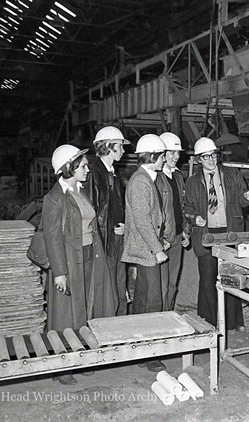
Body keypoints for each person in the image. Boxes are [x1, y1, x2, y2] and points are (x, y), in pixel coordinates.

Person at [42, 144, 118, 384]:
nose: (87, 169)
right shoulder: (54, 199)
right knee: (64, 315)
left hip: (88, 255)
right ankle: (61, 367)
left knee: (85, 308)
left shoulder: (79, 190)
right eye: (83, 166)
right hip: (68, 262)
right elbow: (51, 237)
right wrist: (59, 273)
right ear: (69, 168)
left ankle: (80, 355)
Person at [183, 137, 249, 331]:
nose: (211, 160)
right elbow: (187, 207)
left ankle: (234, 322)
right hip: (206, 236)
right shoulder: (192, 182)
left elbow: (242, 199)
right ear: (199, 159)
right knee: (207, 279)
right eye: (206, 157)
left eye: (213, 155)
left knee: (231, 276)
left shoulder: (232, 175)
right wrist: (195, 217)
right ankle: (209, 321)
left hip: (230, 233)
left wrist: (247, 198)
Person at [121, 134, 168, 372]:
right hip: (146, 251)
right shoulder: (141, 181)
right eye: (161, 156)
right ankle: (148, 354)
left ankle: (139, 349)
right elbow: (141, 220)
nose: (164, 160)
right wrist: (157, 249)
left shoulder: (146, 179)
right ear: (152, 157)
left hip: (147, 248)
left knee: (143, 300)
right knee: (151, 301)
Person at [86, 126, 130, 315]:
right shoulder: (94, 173)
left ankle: (120, 322)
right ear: (108, 146)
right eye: (119, 146)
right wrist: (109, 232)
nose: (123, 150)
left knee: (119, 284)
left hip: (116, 238)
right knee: (110, 286)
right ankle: (110, 325)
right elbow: (93, 210)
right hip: (106, 241)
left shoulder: (111, 173)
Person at [156, 132, 189, 311]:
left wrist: (184, 229)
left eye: (178, 153)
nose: (176, 157)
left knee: (172, 283)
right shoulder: (156, 178)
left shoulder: (177, 176)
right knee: (161, 283)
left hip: (176, 235)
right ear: (162, 153)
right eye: (171, 153)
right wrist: (158, 239)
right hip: (163, 238)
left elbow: (180, 206)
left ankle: (168, 313)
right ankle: (159, 317)